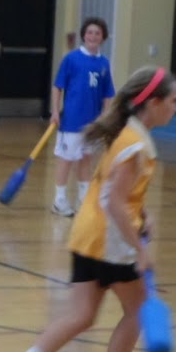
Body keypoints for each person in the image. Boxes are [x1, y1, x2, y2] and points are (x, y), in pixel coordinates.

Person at [0, 67, 176, 352]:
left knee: (81, 315)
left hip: (87, 234)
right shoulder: (136, 143)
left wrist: (143, 217)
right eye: (173, 101)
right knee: (137, 312)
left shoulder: (127, 134)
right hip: (111, 241)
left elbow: (118, 195)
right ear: (153, 103)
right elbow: (114, 201)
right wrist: (140, 249)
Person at [48, 17, 115, 217]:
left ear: (103, 37)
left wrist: (104, 117)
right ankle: (59, 201)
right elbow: (58, 86)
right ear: (83, 35)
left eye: (97, 33)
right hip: (71, 122)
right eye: (89, 32)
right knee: (66, 160)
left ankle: (83, 200)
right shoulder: (72, 59)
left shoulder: (104, 63)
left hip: (92, 123)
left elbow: (107, 94)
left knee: (86, 159)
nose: (93, 36)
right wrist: (54, 110)